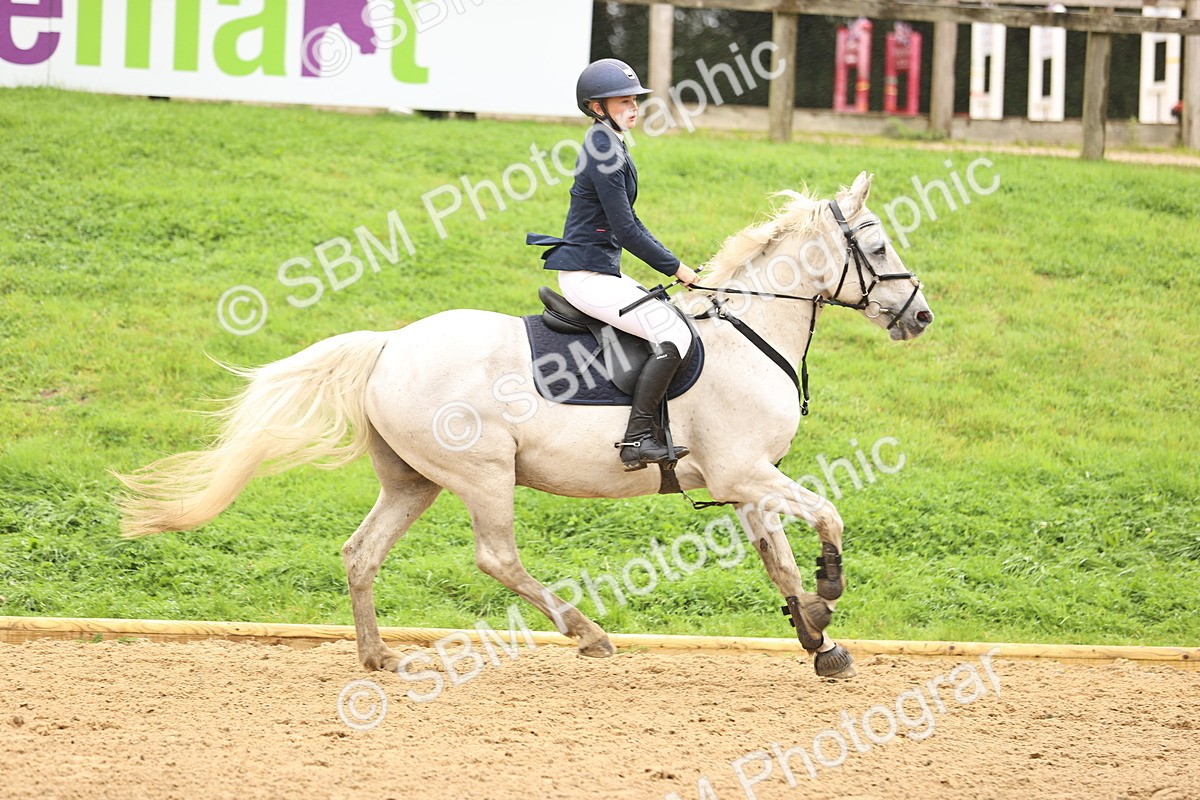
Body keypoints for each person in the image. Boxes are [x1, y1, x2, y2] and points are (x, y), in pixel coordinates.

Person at [528, 58, 699, 472]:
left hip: (600, 267)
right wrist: (679, 270)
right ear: (597, 107)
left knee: (667, 322)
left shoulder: (609, 141)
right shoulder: (604, 148)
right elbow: (625, 229)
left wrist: (676, 265)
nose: (635, 108)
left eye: (635, 100)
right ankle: (638, 439)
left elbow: (629, 222)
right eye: (624, 101)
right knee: (673, 333)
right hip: (588, 275)